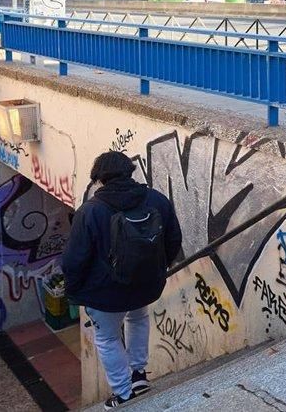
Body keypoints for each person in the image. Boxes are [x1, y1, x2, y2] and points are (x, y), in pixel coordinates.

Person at [61, 151, 183, 407]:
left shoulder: (90, 211)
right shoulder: (156, 199)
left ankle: (124, 393)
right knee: (138, 319)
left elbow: (75, 260)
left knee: (107, 339)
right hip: (146, 284)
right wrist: (159, 267)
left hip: (105, 293)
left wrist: (74, 290)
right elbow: (173, 239)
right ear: (129, 170)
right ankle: (138, 374)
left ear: (99, 178)